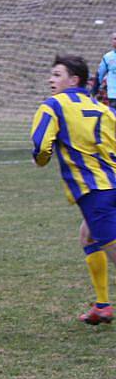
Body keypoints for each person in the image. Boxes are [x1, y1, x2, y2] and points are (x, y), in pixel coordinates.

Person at [31, 54, 116, 325]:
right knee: (88, 237)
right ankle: (102, 306)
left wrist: (42, 159)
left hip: (95, 192)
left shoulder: (53, 105)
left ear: (74, 79)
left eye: (57, 74)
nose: (51, 79)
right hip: (112, 183)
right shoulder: (101, 107)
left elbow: (41, 146)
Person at [89, 32, 116, 108]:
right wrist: (94, 91)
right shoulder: (108, 57)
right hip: (113, 95)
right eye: (115, 39)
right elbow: (100, 75)